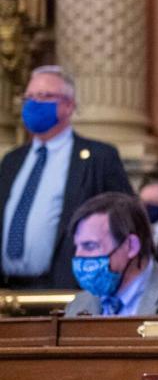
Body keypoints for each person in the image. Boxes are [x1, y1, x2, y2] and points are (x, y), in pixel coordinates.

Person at [0, 65, 133, 289]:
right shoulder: (12, 160)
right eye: (29, 97)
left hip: (65, 290)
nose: (34, 103)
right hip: (7, 291)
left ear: (69, 105)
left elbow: (126, 220)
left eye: (44, 96)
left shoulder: (98, 158)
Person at [64, 192, 158, 317]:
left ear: (131, 246)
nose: (79, 256)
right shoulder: (78, 306)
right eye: (77, 247)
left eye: (90, 246)